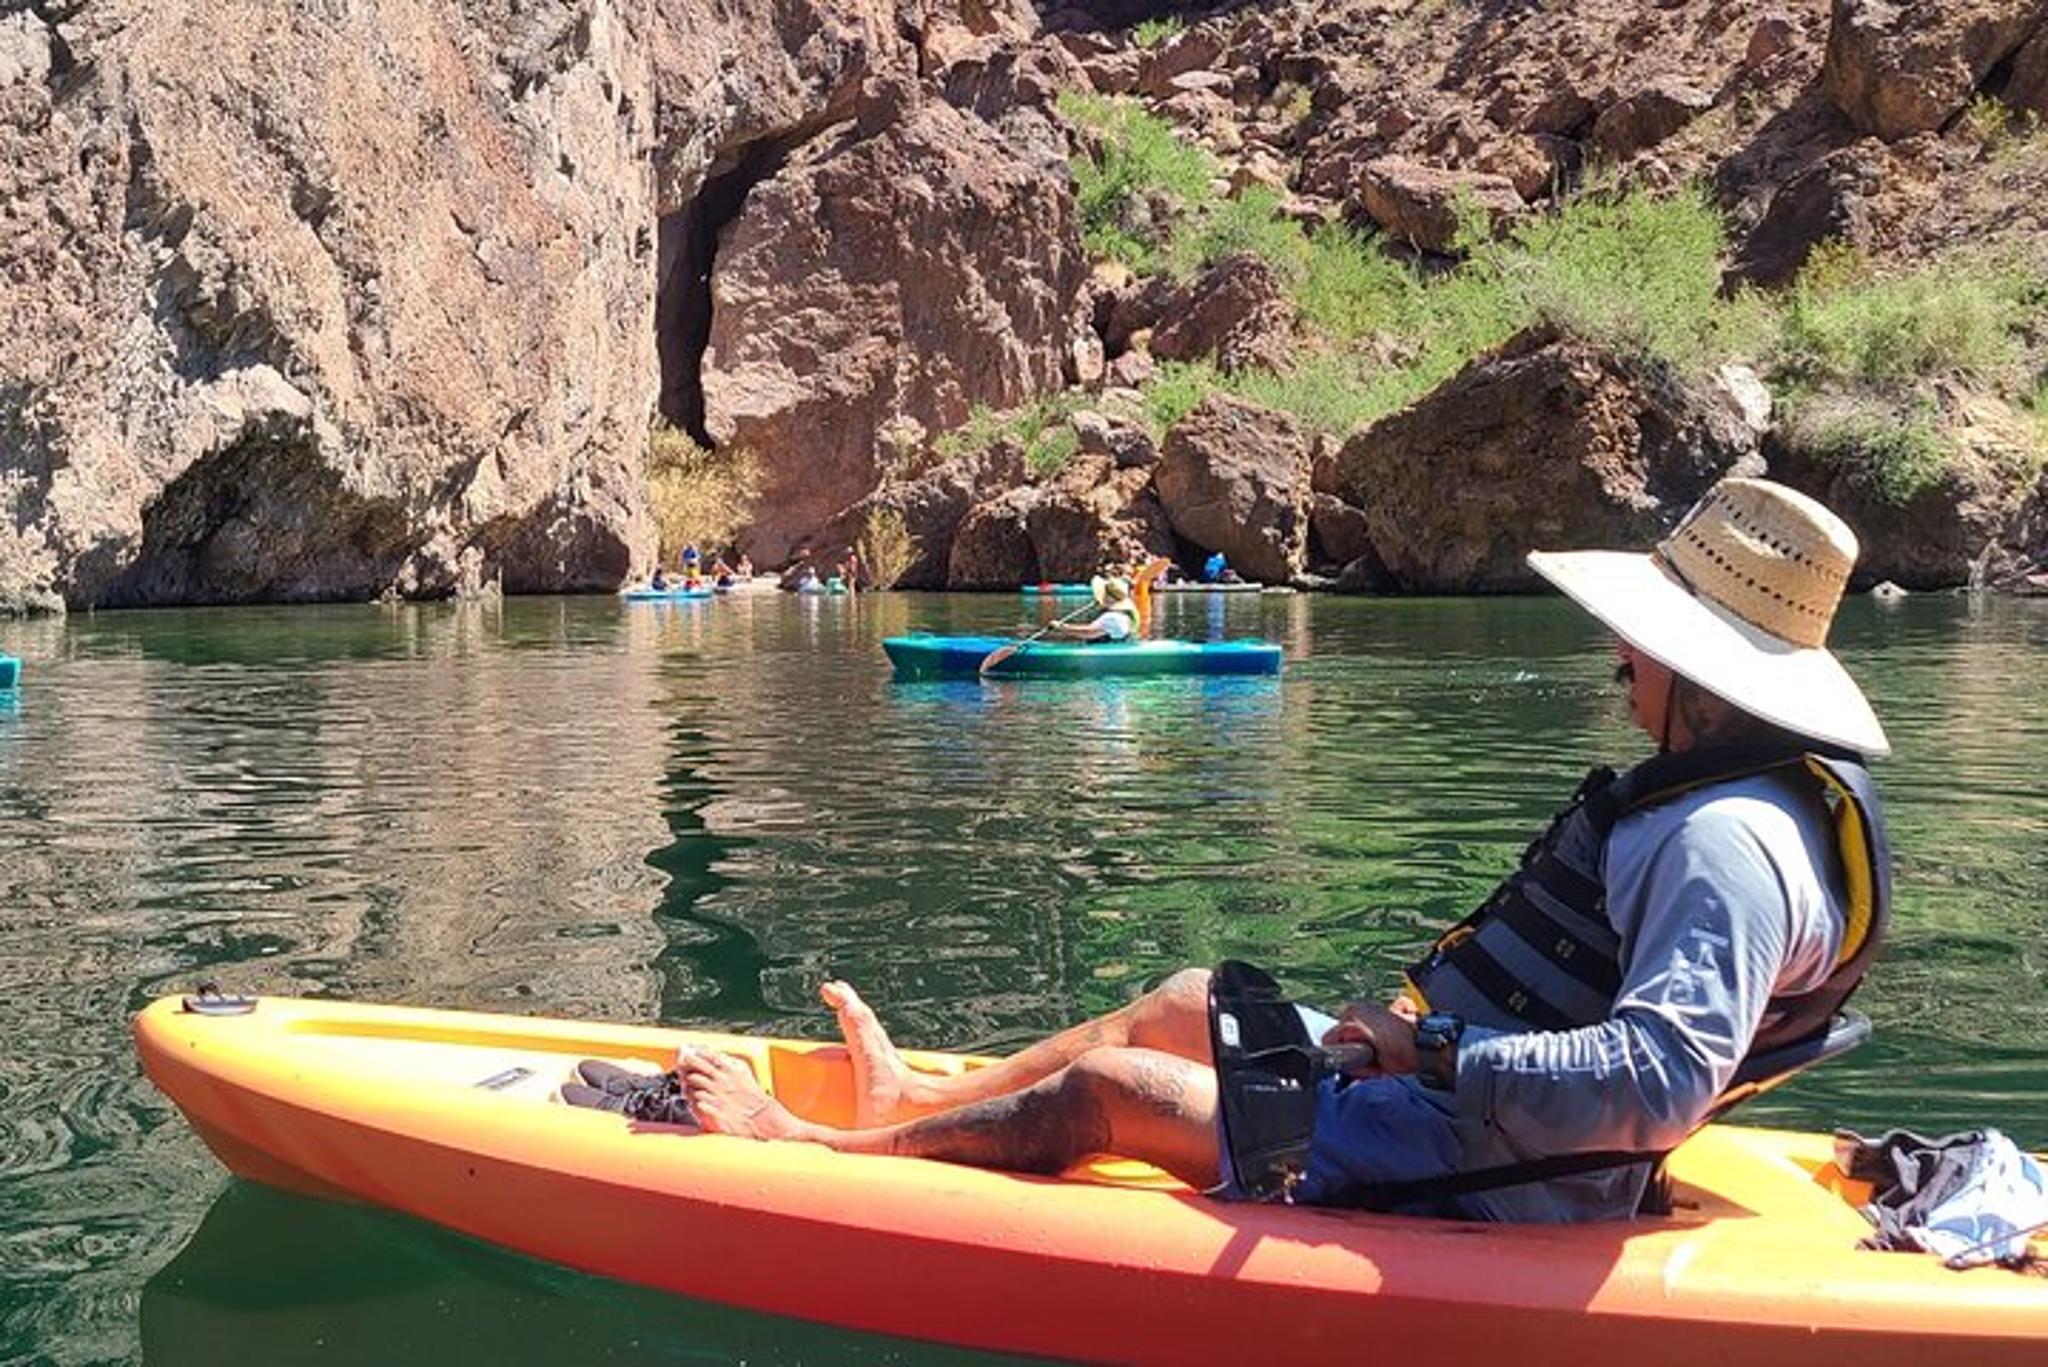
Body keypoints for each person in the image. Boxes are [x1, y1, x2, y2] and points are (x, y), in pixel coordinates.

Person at [603, 479, 1897, 1225]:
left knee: (1116, 1089)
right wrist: (1406, 1041)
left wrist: (1428, 1046)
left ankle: (811, 1158)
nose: (1620, 657)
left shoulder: (1726, 842)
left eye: (1640, 638)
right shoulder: (1744, 798)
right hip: (1481, 1108)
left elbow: (1661, 1076)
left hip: (1521, 1170)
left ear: (1692, 662)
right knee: (1188, 1000)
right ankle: (913, 1107)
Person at [1049, 575, 1139, 643]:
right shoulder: (1125, 616)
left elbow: (1087, 632)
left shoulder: (1113, 618)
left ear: (1108, 598)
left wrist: (1061, 627)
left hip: (1104, 657)